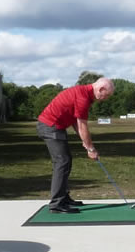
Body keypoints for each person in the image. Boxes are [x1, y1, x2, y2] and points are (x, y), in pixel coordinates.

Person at [36, 77, 115, 213]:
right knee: (62, 162)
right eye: (106, 95)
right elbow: (82, 125)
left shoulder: (84, 94)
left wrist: (85, 142)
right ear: (101, 89)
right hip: (50, 126)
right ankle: (56, 204)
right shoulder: (83, 97)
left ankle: (64, 197)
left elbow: (75, 122)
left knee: (65, 161)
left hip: (55, 126)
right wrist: (91, 149)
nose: (104, 99)